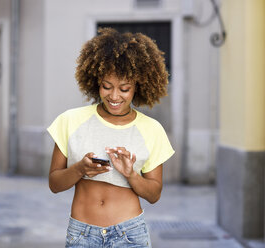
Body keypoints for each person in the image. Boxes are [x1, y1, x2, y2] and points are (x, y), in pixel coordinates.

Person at [47, 28, 175, 248]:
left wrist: (131, 175)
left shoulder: (151, 129)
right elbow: (54, 184)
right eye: (107, 87)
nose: (114, 96)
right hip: (82, 235)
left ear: (138, 87)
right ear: (97, 82)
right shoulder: (70, 121)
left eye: (124, 89)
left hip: (129, 235)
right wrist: (80, 170)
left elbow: (154, 194)